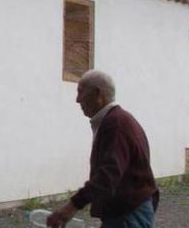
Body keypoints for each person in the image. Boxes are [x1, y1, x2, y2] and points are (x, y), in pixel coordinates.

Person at [47, 69, 159, 228]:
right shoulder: (118, 120)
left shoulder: (116, 124)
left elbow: (109, 174)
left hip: (127, 213)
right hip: (127, 211)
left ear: (98, 94)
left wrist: (72, 206)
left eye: (81, 92)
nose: (77, 100)